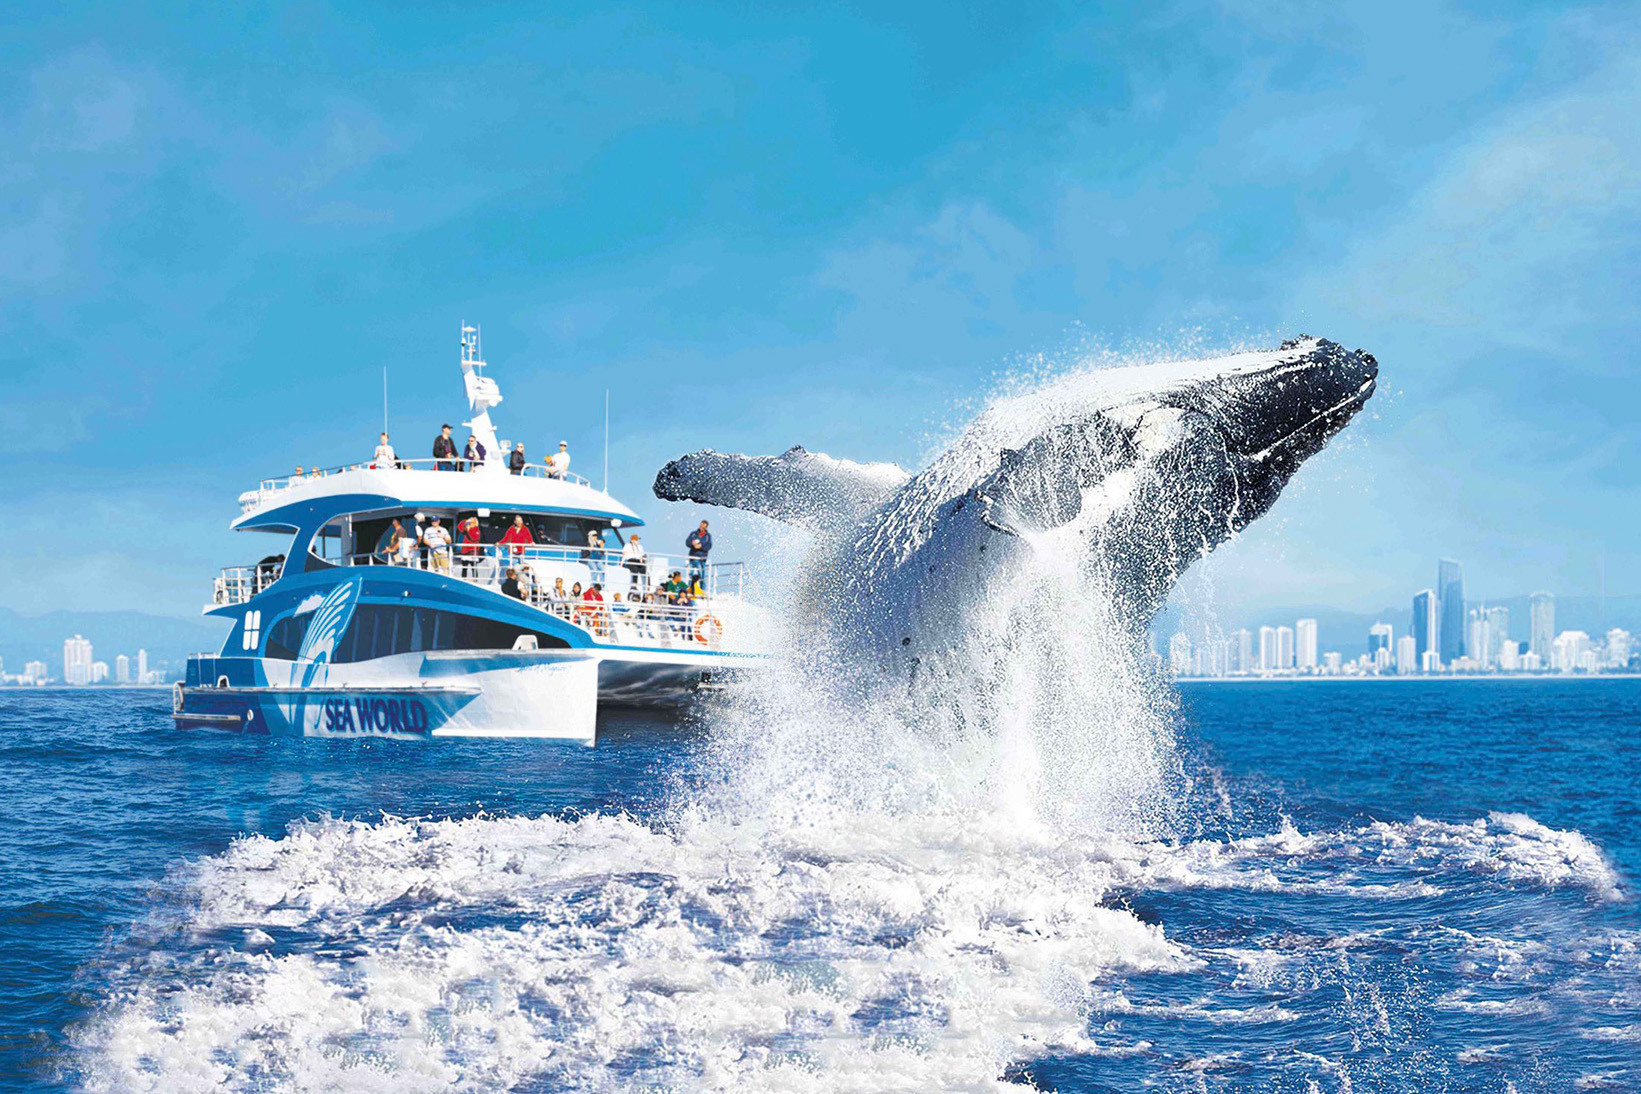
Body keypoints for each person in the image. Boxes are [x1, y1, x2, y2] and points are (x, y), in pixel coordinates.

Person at [686, 520, 712, 588]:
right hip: (693, 558)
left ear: (706, 527)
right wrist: (693, 544)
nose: (701, 528)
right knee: (690, 575)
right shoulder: (693, 534)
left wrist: (701, 546)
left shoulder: (708, 536)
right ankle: (689, 588)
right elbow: (687, 542)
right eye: (701, 526)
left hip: (702, 559)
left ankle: (702, 590)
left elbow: (709, 546)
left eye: (703, 527)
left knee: (702, 576)